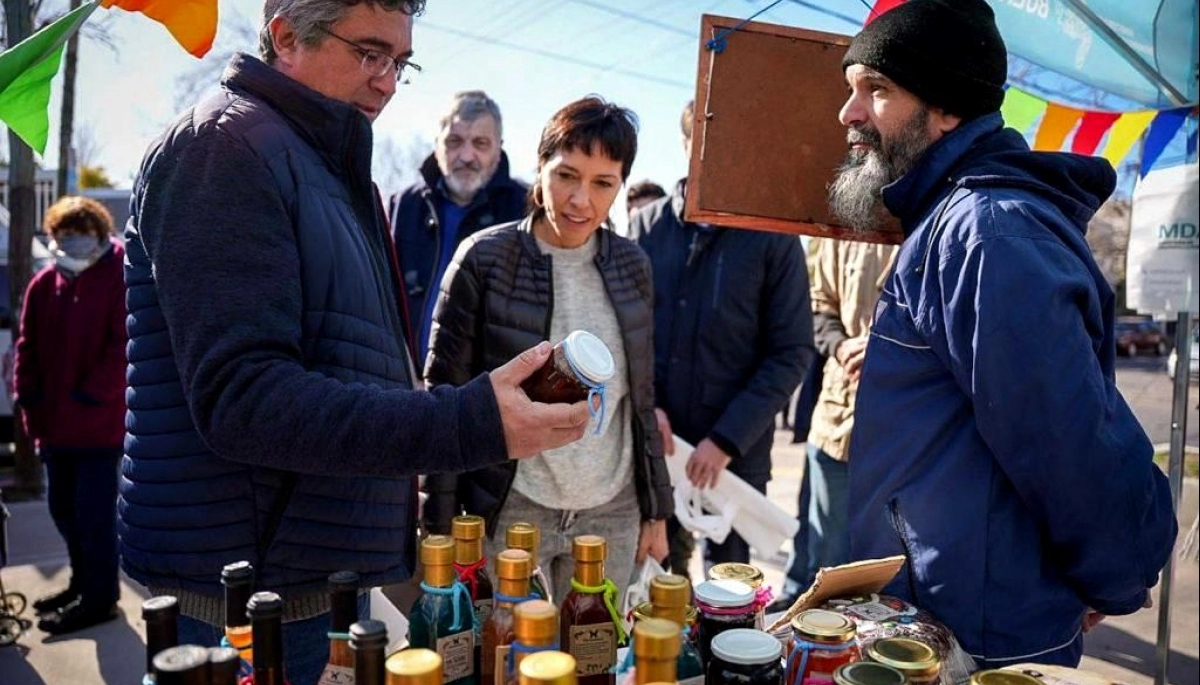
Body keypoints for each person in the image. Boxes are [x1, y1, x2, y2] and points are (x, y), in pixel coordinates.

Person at [119, 3, 588, 683]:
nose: (388, 82)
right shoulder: (225, 149)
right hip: (245, 597)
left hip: (310, 576)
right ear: (285, 35)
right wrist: (469, 419)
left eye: (401, 62)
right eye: (370, 53)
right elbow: (244, 398)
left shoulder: (328, 170)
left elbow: (354, 369)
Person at [837, 0, 1177, 668]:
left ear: (947, 106)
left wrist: (1113, 569)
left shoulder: (986, 231)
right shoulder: (955, 220)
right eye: (851, 90)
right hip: (945, 611)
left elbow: (1068, 440)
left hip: (978, 636)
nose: (848, 114)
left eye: (876, 90)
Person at [424, 96, 672, 601]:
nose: (581, 199)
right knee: (512, 666)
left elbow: (639, 402)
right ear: (539, 168)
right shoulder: (484, 260)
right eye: (566, 175)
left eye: (603, 183)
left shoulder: (633, 267)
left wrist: (656, 511)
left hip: (612, 513)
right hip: (512, 510)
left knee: (594, 668)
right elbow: (442, 399)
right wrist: (439, 528)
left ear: (620, 187)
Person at [630, 100, 815, 570]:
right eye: (703, 143)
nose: (716, 159)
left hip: (735, 459)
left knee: (730, 595)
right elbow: (623, 335)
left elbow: (791, 351)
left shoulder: (773, 237)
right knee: (652, 587)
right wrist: (644, 407)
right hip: (657, 447)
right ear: (686, 142)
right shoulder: (645, 231)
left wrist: (726, 441)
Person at [12, 197, 127, 635]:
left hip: (98, 426)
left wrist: (90, 395)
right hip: (53, 426)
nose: (71, 244)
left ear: (99, 233)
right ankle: (82, 583)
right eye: (63, 237)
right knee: (63, 509)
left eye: (80, 235)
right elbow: (27, 348)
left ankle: (100, 599)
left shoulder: (119, 276)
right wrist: (27, 398)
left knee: (94, 515)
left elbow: (123, 347)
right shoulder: (44, 286)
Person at [776, 236, 897, 611]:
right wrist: (842, 346)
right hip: (836, 420)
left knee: (883, 567)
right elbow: (818, 306)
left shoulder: (934, 222)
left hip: (903, 430)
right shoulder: (844, 231)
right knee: (821, 551)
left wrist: (886, 345)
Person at [388, 90, 527, 362]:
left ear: (499, 149)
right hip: (403, 383)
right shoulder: (404, 205)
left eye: (480, 143)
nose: (466, 155)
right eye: (454, 141)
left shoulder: (524, 209)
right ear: (437, 144)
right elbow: (384, 297)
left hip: (483, 387)